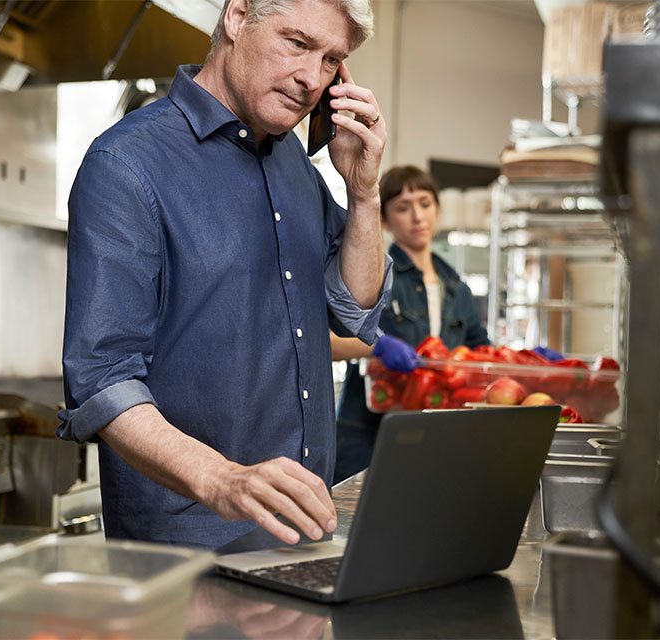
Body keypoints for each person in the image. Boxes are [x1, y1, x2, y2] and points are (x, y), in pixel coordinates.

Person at [58, 0, 392, 550]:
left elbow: (354, 311)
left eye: (334, 60)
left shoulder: (298, 167)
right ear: (237, 17)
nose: (312, 78)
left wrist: (363, 193)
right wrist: (224, 478)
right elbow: (100, 380)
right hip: (185, 552)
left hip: (304, 529)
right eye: (298, 43)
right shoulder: (125, 165)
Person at [331, 165, 490, 484]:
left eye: (425, 203)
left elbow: (481, 354)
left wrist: (529, 359)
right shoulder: (369, 279)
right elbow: (323, 341)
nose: (418, 217)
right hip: (367, 434)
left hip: (435, 431)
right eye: (403, 208)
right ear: (384, 220)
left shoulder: (458, 288)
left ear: (438, 210)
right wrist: (376, 346)